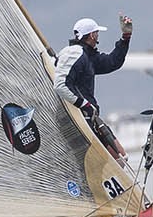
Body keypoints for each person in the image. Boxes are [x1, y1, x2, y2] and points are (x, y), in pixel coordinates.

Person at [53, 14, 132, 159]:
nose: (97, 36)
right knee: (118, 159)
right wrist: (85, 105)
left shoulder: (88, 56)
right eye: (97, 33)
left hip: (91, 118)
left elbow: (112, 62)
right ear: (92, 35)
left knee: (121, 157)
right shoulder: (74, 53)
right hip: (79, 119)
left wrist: (125, 38)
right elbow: (60, 85)